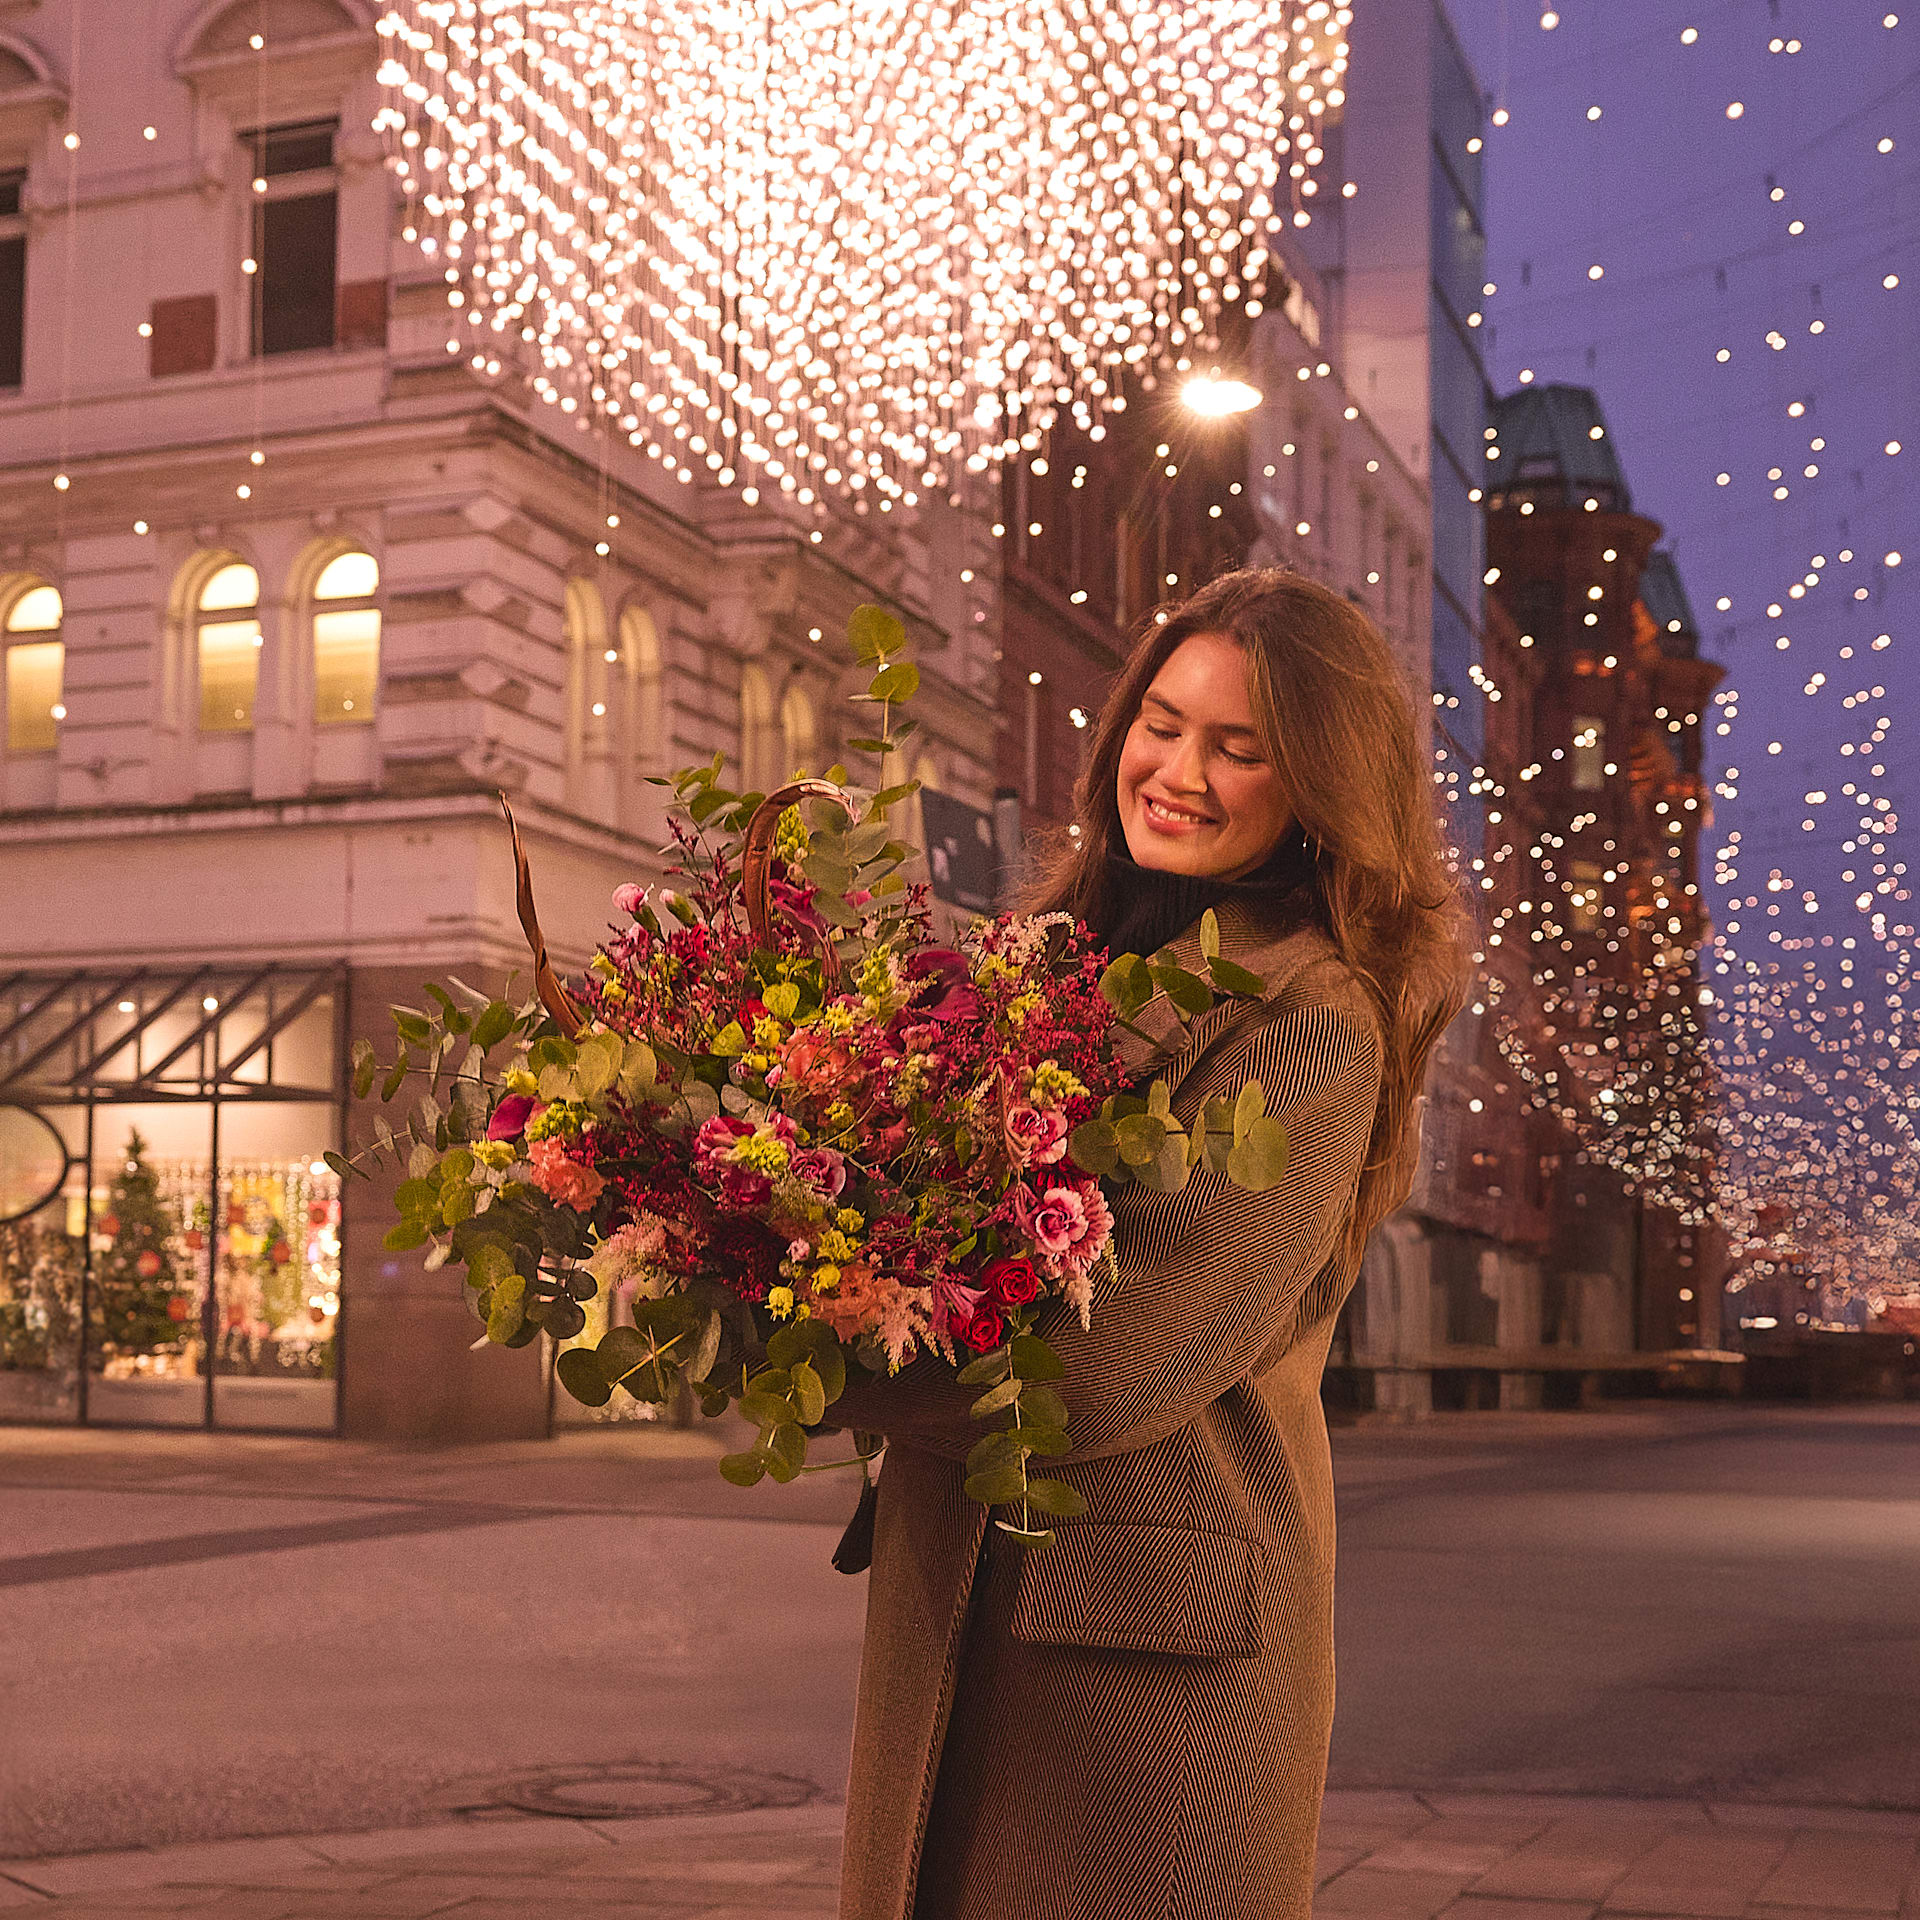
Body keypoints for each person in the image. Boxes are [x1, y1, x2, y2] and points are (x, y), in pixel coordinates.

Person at [826, 566, 1473, 1920]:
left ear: (1320, 788)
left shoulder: (1312, 1016)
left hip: (1150, 1654)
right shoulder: (1051, 956)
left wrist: (790, 1335)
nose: (1178, 772)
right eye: (1162, 724)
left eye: (1240, 748)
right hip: (978, 1586)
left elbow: (1109, 1365)